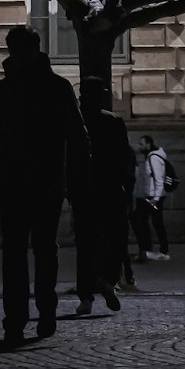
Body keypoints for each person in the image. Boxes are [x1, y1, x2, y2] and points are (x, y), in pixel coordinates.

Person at [0, 24, 90, 346]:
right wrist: (78, 178)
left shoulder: (1, 92)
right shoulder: (57, 87)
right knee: (43, 250)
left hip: (15, 184)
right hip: (46, 182)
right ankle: (43, 312)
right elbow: (78, 138)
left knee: (16, 254)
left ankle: (17, 319)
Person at [73, 77, 133, 316]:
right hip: (110, 188)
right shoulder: (113, 122)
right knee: (117, 237)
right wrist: (125, 186)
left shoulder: (76, 122)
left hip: (84, 190)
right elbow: (124, 157)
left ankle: (86, 295)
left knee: (85, 243)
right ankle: (107, 279)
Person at [131, 135, 170, 262]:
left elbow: (158, 179)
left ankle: (147, 249)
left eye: (141, 144)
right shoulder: (153, 156)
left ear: (148, 144)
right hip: (154, 196)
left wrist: (156, 198)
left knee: (140, 219)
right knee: (157, 222)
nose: (140, 147)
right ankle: (162, 250)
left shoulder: (153, 158)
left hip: (153, 196)